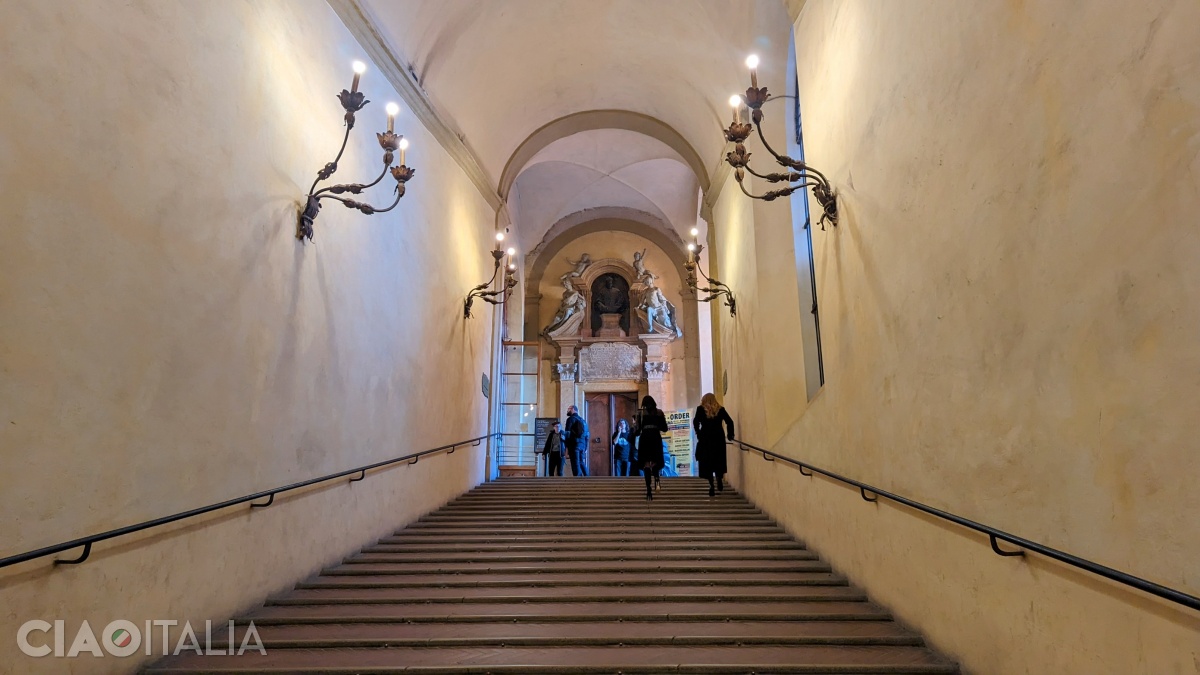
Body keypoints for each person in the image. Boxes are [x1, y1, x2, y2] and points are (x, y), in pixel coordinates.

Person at [693, 393, 735, 497]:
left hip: (705, 438)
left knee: (707, 462)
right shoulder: (720, 409)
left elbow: (695, 422)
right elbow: (730, 421)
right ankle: (719, 478)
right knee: (718, 460)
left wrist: (698, 433)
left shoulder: (700, 409)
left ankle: (711, 485)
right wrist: (730, 434)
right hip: (718, 438)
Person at [633, 395, 667, 500]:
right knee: (655, 461)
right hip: (656, 438)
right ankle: (657, 478)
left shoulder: (640, 413)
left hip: (645, 439)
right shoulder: (659, 412)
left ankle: (649, 490)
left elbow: (637, 431)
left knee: (646, 464)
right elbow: (665, 428)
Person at [564, 404, 589, 477]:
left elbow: (567, 434)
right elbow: (587, 435)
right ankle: (588, 477)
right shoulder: (583, 420)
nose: (567, 410)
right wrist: (585, 447)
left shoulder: (570, 419)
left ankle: (577, 480)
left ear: (573, 409)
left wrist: (566, 448)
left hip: (574, 444)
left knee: (575, 463)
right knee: (581, 462)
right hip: (582, 445)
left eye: (569, 409)